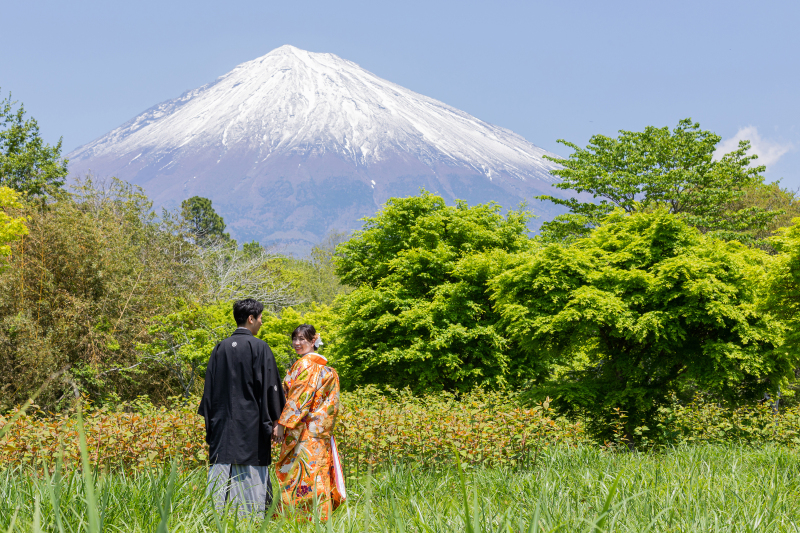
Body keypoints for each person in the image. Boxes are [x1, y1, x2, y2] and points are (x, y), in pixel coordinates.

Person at [198, 298, 286, 516]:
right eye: (260, 318)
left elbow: (208, 392)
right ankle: (252, 515)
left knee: (222, 465)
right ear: (250, 318)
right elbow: (271, 387)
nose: (261, 323)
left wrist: (212, 421)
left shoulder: (220, 348)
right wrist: (277, 421)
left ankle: (217, 514)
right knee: (251, 467)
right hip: (251, 425)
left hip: (222, 425)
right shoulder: (260, 347)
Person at [275, 324, 344, 521]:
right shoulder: (327, 369)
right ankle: (320, 517)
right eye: (294, 339)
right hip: (319, 433)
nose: (297, 343)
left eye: (302, 339)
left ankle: (295, 519)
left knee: (298, 474)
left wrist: (281, 424)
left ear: (313, 341)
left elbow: (298, 400)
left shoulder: (306, 365)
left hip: (302, 431)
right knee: (317, 474)